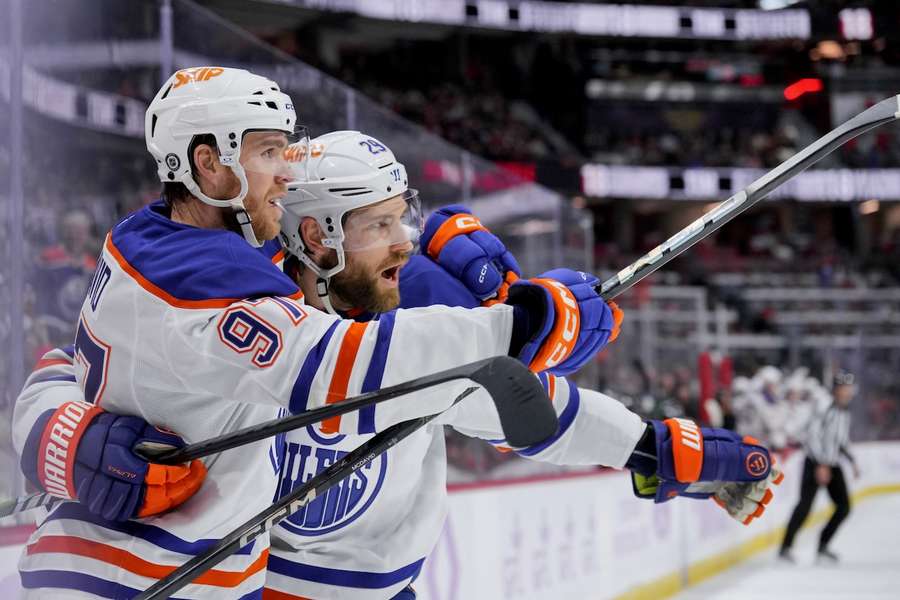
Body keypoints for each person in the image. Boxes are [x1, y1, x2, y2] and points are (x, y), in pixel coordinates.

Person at [15, 122, 782, 598]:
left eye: (403, 219)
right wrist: (63, 440)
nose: (406, 242)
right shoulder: (233, 313)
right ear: (317, 237)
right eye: (381, 223)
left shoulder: (411, 328)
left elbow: (534, 409)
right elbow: (83, 362)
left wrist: (661, 451)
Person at [779, 371, 859, 564]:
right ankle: (785, 548)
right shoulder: (824, 407)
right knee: (805, 506)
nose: (847, 391)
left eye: (849, 388)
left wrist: (852, 460)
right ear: (836, 389)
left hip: (832, 463)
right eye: (843, 387)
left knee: (844, 507)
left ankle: (822, 547)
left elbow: (840, 439)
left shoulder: (844, 410)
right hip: (815, 462)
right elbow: (812, 436)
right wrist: (821, 464)